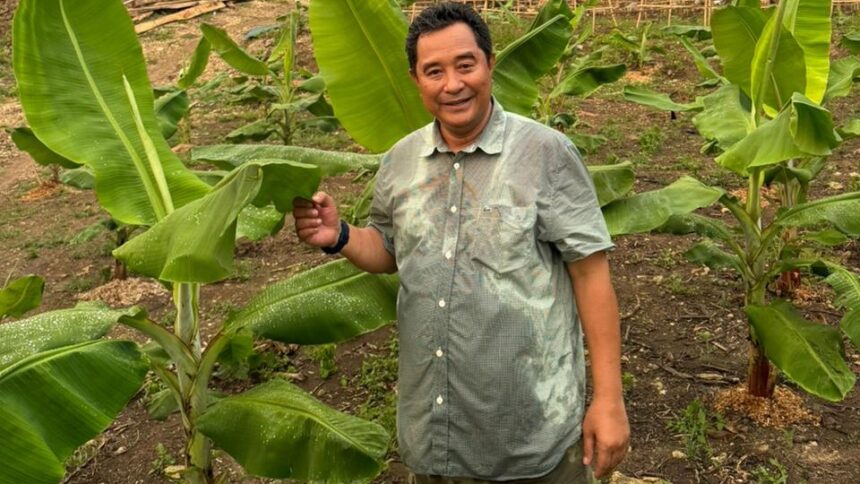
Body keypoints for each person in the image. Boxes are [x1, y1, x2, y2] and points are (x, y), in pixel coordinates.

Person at [292, 2, 629, 482]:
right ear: (416, 80)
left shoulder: (545, 154)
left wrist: (609, 401)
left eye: (465, 65)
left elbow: (591, 274)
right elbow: (389, 250)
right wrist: (340, 236)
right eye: (434, 71)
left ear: (490, 64)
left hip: (531, 434)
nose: (452, 84)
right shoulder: (399, 162)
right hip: (435, 432)